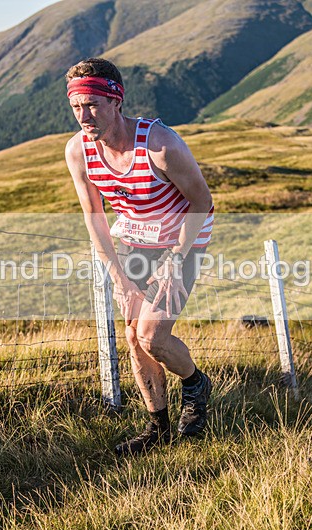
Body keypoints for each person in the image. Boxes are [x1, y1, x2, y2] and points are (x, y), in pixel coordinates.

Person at [64, 58, 215, 455]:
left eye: (93, 104)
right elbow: (94, 216)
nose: (84, 116)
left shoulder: (161, 146)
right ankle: (158, 428)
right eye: (76, 106)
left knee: (152, 336)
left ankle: (195, 383)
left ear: (116, 100)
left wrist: (176, 260)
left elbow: (202, 201)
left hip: (183, 237)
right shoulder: (79, 151)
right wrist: (117, 277)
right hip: (134, 238)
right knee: (133, 336)